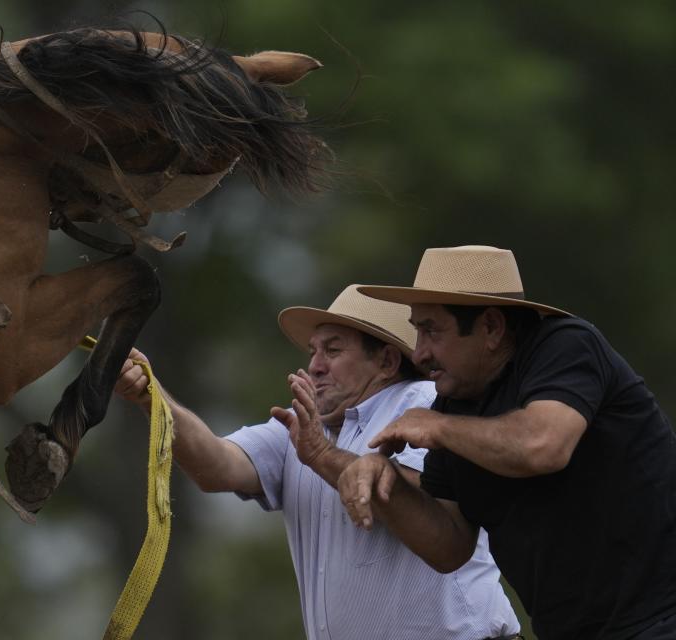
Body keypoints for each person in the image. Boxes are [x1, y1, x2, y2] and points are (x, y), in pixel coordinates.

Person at [114, 285, 519, 639]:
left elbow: (408, 494)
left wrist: (322, 456)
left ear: (388, 362)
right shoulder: (304, 431)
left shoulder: (420, 402)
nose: (315, 365)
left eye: (333, 350)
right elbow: (216, 466)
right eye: (313, 351)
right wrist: (153, 398)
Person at [340, 245, 676, 640]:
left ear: (492, 327)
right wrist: (384, 479)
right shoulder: (454, 403)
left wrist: (438, 428)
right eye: (417, 331)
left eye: (431, 330)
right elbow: (449, 547)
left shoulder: (566, 344)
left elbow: (544, 446)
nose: (419, 352)